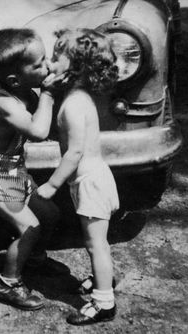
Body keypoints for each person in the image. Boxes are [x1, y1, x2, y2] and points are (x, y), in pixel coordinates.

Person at [0, 28, 69, 311]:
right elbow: (38, 131)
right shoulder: (3, 103)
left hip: (11, 166)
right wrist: (48, 93)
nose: (47, 66)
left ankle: (33, 259)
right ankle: (7, 284)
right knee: (29, 228)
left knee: (49, 213)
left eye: (46, 58)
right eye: (39, 64)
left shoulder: (25, 92)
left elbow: (49, 124)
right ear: (15, 78)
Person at [37, 28, 120, 325]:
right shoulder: (77, 95)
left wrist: (51, 184)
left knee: (94, 243)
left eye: (56, 57)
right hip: (93, 178)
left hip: (90, 182)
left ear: (75, 66)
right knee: (98, 241)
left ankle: (103, 302)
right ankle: (105, 275)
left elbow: (73, 154)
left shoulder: (74, 104)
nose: (49, 61)